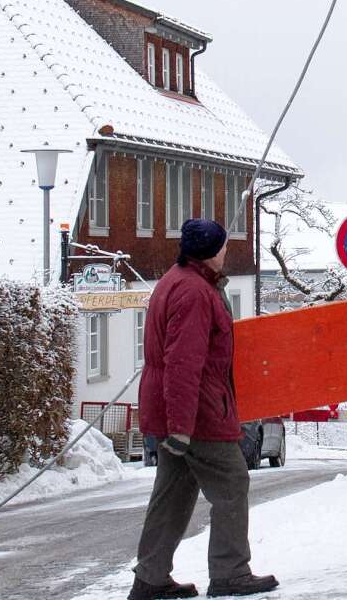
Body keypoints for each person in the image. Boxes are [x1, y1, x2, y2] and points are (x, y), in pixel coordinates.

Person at [130, 219, 278, 600]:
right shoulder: (194, 293)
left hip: (176, 408)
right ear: (212, 251)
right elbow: (183, 362)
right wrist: (180, 427)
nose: (227, 252)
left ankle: (150, 578)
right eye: (224, 247)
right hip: (195, 412)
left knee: (174, 494)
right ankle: (230, 572)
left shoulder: (176, 280)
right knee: (232, 482)